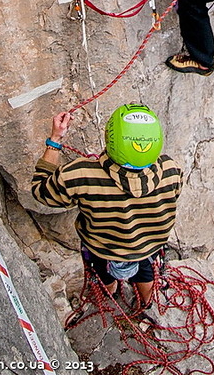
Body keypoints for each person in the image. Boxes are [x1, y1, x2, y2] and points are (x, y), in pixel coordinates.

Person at [31, 103, 182, 307]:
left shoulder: (81, 174)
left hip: (102, 249)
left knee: (103, 276)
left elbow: (42, 192)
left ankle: (106, 297)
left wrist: (55, 140)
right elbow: (175, 193)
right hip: (148, 247)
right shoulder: (170, 170)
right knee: (146, 273)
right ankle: (146, 305)